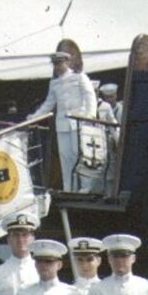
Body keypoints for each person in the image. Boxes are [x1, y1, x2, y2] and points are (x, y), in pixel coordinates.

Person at [28, 51, 97, 192]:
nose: (57, 67)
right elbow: (49, 104)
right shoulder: (54, 83)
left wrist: (89, 117)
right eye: (55, 64)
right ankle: (69, 188)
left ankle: (85, 187)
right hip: (62, 125)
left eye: (60, 63)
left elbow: (90, 97)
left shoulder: (79, 77)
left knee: (81, 155)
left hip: (79, 123)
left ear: (67, 62)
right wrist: (33, 118)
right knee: (66, 158)